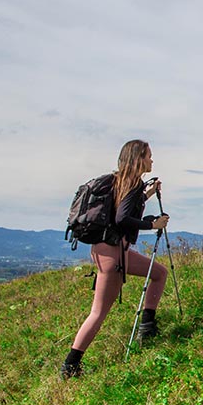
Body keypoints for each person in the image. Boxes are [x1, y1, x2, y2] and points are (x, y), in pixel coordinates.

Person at [61, 139, 169, 378]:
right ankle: (70, 366)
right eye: (149, 156)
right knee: (98, 312)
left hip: (108, 251)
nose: (152, 160)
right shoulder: (131, 183)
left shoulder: (120, 182)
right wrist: (152, 224)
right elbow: (122, 219)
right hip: (114, 254)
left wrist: (147, 194)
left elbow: (122, 208)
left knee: (159, 273)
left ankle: (148, 328)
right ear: (138, 158)